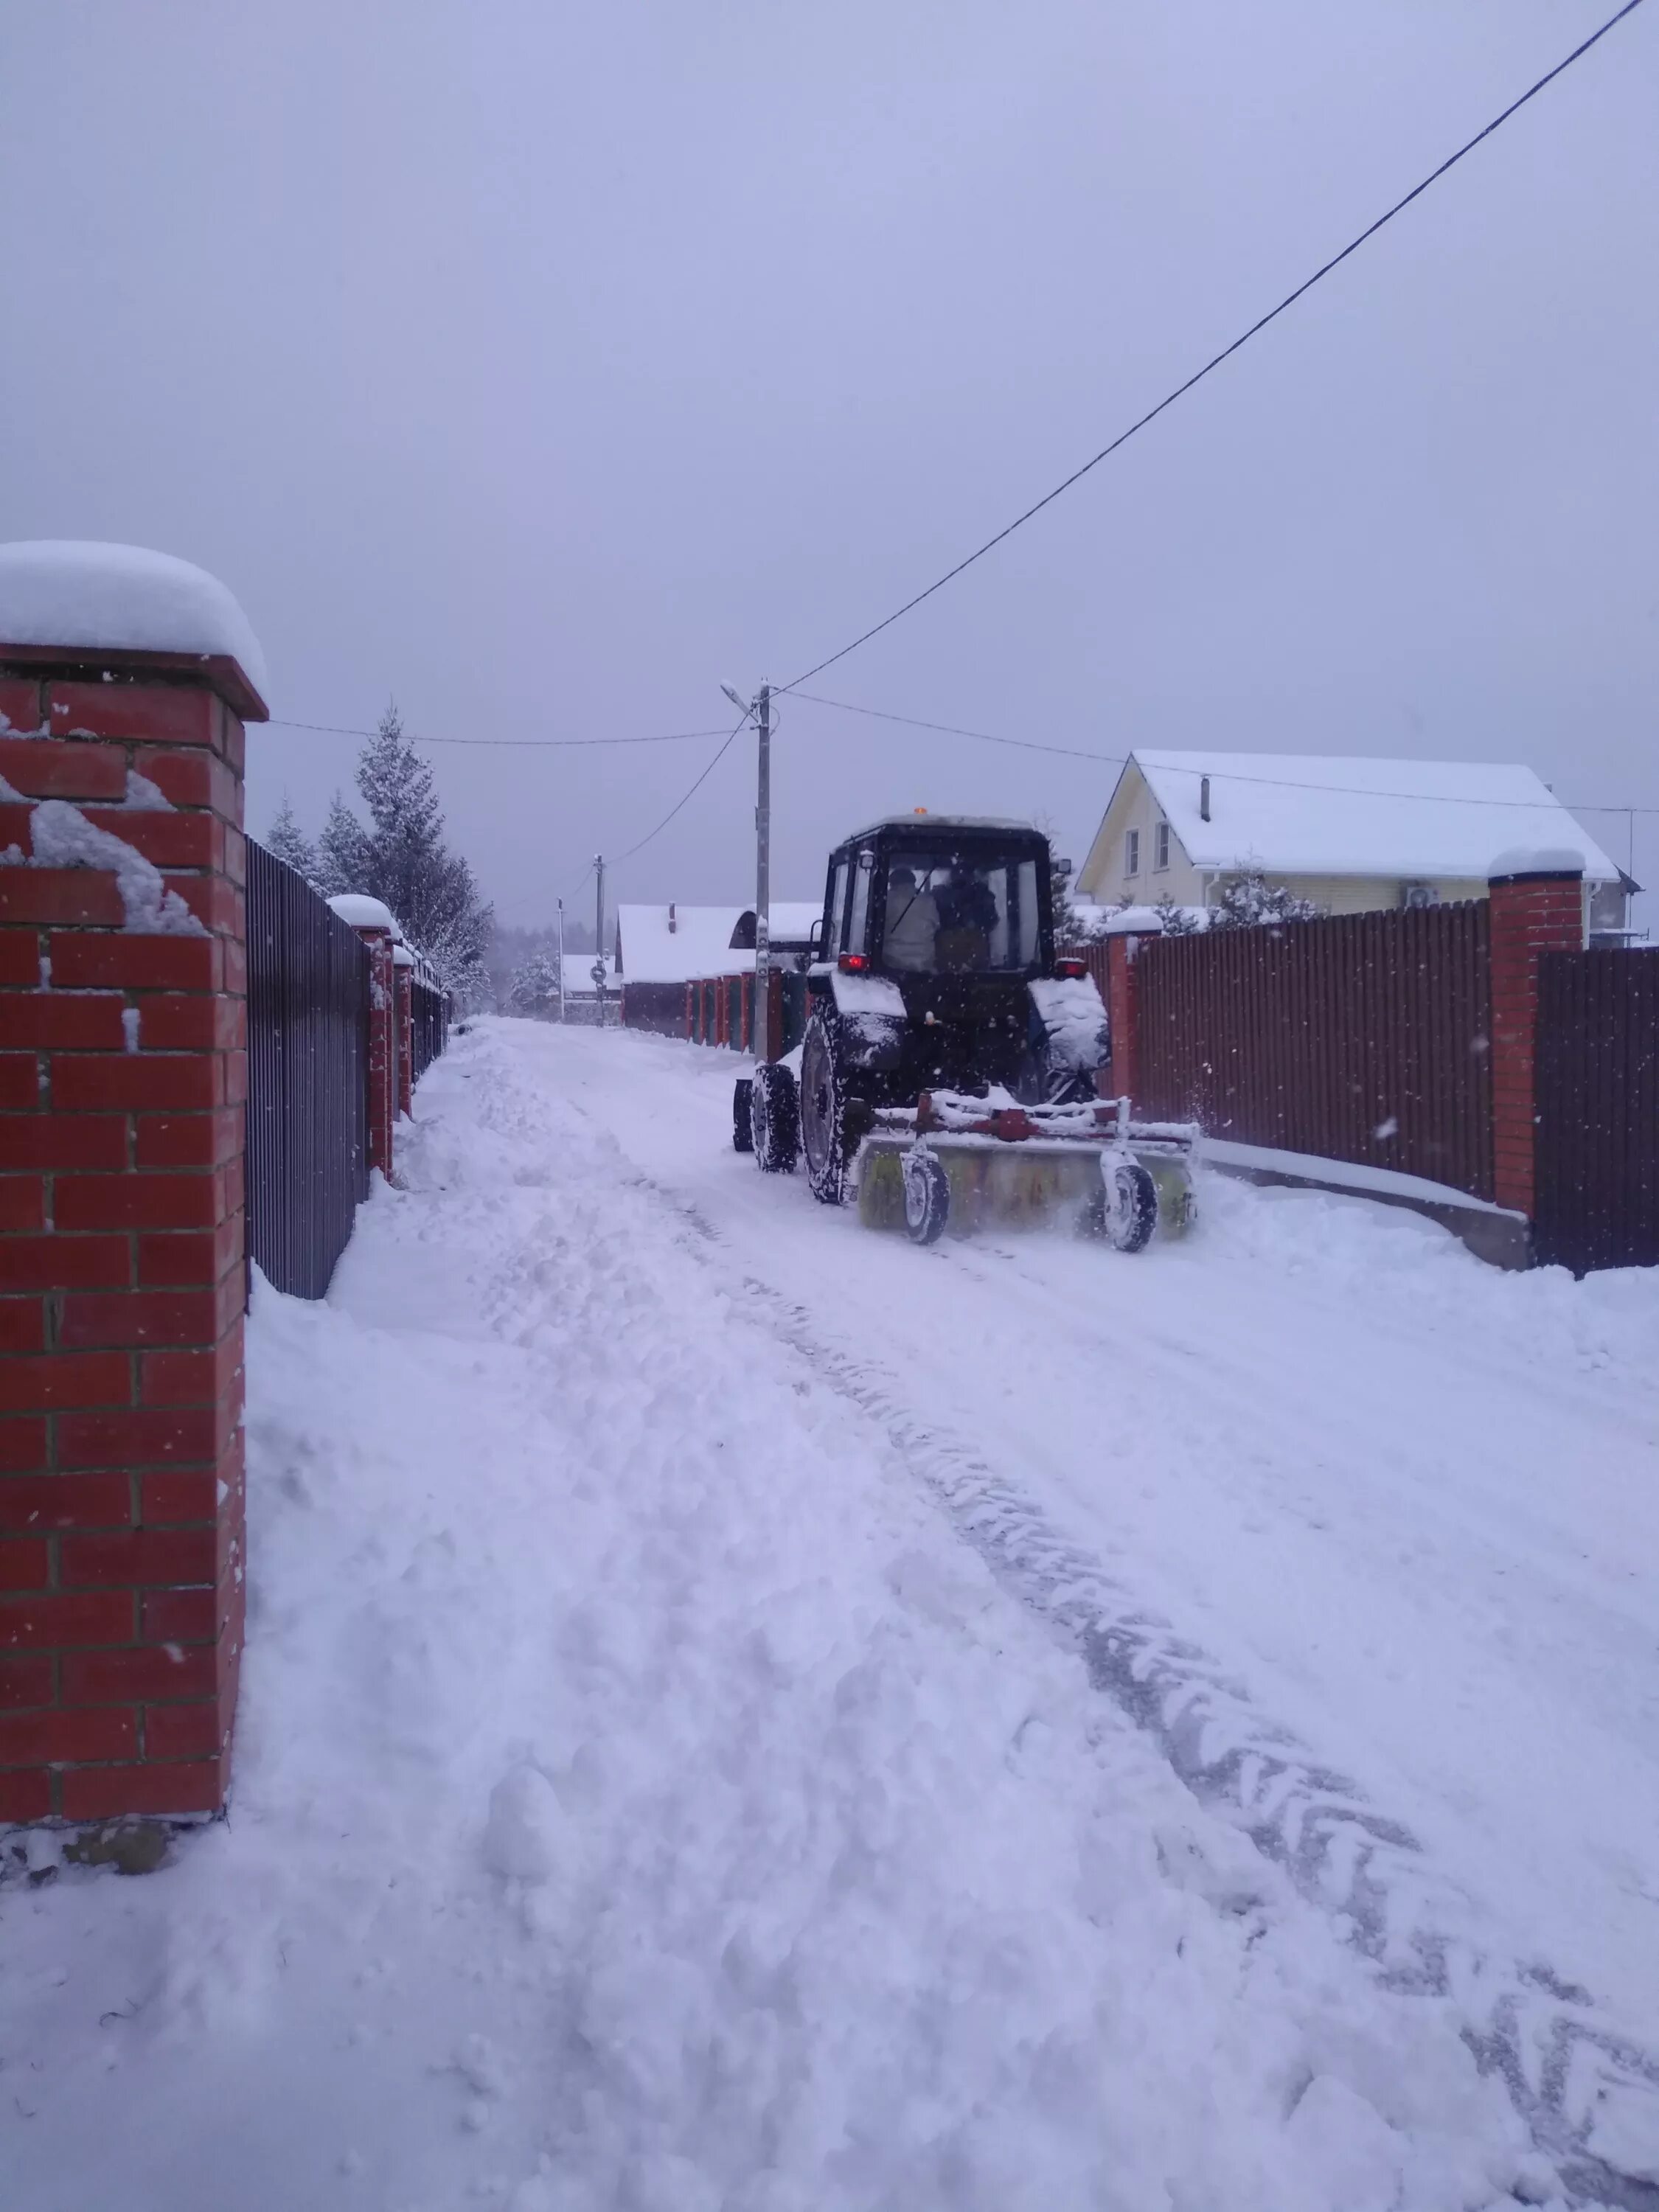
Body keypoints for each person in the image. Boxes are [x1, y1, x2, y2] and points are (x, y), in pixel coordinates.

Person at [883, 863, 939, 971]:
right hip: (925, 964)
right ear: (913, 882)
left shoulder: (886, 900)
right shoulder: (928, 901)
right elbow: (937, 926)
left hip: (891, 963)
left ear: (892, 883)